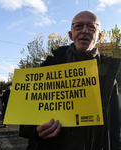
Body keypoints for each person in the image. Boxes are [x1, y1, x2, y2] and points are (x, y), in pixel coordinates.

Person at [19, 10, 121, 150]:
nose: (84, 31)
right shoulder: (49, 67)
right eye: (78, 26)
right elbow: (25, 119)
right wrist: (35, 130)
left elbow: (115, 127)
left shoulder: (108, 76)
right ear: (70, 35)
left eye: (91, 27)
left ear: (99, 37)